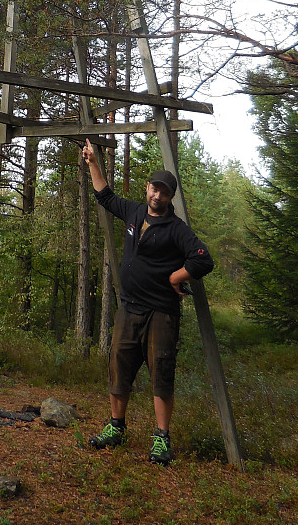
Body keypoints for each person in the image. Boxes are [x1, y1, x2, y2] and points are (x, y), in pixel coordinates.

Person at [81, 138, 214, 465]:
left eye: (164, 192)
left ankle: (161, 439)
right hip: (129, 307)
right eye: (154, 189)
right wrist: (93, 163)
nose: (157, 195)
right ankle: (116, 426)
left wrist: (175, 278)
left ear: (170, 197)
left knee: (161, 373)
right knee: (119, 366)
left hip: (161, 313)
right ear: (147, 188)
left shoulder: (176, 229)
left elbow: (203, 260)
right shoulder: (134, 211)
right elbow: (105, 196)